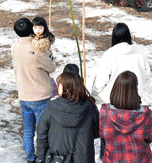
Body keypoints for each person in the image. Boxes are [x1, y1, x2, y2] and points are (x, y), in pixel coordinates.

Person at [11, 17, 57, 163]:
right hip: (40, 96)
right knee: (44, 130)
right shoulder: (37, 50)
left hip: (24, 96)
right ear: (31, 28)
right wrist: (49, 53)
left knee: (28, 129)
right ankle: (44, 157)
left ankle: (30, 157)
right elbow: (52, 67)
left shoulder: (14, 47)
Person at [36, 72, 99, 163]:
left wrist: (41, 157)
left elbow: (42, 135)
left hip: (58, 159)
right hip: (84, 158)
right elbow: (96, 132)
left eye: (59, 84)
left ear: (65, 89)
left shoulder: (51, 108)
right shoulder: (89, 107)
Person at [100, 71, 152, 163]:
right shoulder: (147, 114)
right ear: (135, 90)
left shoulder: (104, 113)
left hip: (113, 159)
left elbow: (103, 138)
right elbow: (148, 139)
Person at [91, 23, 150, 106]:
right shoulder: (140, 53)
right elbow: (147, 74)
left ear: (114, 37)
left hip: (113, 100)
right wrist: (136, 89)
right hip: (133, 99)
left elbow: (101, 80)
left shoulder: (110, 54)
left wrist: (93, 96)